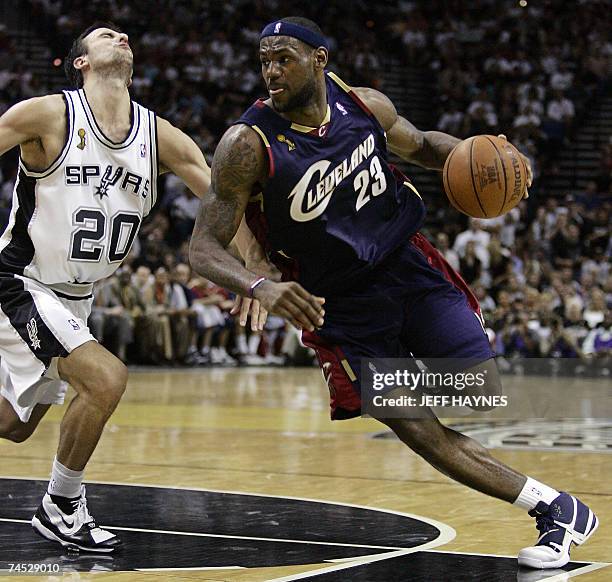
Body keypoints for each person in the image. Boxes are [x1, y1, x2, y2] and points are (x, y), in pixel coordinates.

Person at [189, 17, 599, 570]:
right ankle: (556, 508)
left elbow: (428, 146)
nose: (271, 71)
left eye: (283, 58)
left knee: (473, 387)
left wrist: (496, 160)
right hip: (338, 305)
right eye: (263, 60)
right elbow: (202, 248)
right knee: (413, 423)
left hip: (406, 266)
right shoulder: (247, 143)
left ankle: (544, 497)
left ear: (319, 59)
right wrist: (261, 283)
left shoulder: (366, 107)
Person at [0, 22, 264, 553]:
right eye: (103, 35)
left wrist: (253, 263)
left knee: (14, 425)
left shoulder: (156, 134)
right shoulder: (47, 115)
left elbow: (218, 195)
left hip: (75, 298)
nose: (118, 35)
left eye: (122, 35)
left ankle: (59, 504)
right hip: (19, 282)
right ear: (81, 62)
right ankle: (61, 506)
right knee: (105, 379)